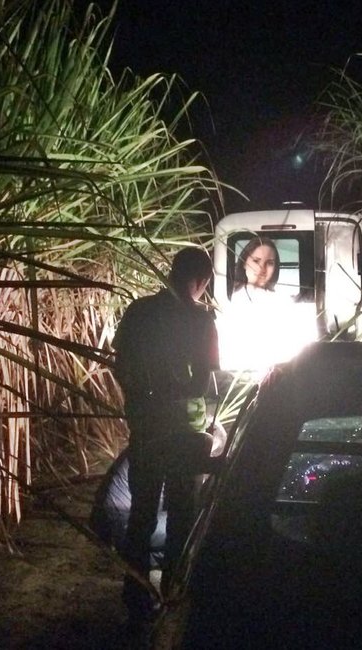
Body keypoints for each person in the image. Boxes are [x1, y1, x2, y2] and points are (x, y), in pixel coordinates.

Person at [112, 247, 220, 627]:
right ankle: (174, 591)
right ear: (202, 280)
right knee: (181, 514)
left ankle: (136, 594)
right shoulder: (201, 320)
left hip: (147, 427)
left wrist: (140, 399)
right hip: (185, 433)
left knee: (142, 512)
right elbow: (205, 379)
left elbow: (120, 363)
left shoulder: (140, 312)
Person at [219, 236, 315, 369]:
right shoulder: (229, 301)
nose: (262, 268)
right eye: (256, 261)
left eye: (269, 263)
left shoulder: (283, 303)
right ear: (244, 262)